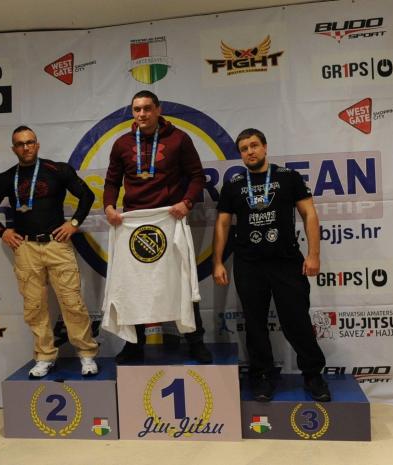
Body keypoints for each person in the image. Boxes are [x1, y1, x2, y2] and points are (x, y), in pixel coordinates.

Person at [212, 128, 330, 402]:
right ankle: (262, 376)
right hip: (249, 264)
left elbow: (309, 214)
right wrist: (217, 262)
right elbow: (223, 224)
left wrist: (314, 255)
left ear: (265, 147)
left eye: (254, 145)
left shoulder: (288, 177)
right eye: (244, 149)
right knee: (254, 324)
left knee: (297, 320)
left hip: (286, 261)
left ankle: (313, 374)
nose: (250, 152)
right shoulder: (233, 185)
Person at [0, 125, 99, 378]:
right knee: (34, 307)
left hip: (57, 245)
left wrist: (74, 223)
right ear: (13, 149)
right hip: (25, 248)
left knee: (72, 303)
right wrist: (2, 231)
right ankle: (44, 356)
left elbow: (87, 196)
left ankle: (86, 354)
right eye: (20, 144)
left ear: (37, 144)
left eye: (30, 142)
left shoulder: (58, 170)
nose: (26, 147)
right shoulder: (4, 179)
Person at [103, 90, 212, 364]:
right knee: (134, 285)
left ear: (158, 109)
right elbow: (112, 181)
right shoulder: (121, 144)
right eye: (137, 109)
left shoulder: (179, 139)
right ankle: (133, 345)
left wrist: (187, 202)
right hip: (134, 225)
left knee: (180, 280)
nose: (142, 114)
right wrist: (109, 207)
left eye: (147, 108)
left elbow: (197, 177)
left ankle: (195, 341)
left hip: (169, 220)